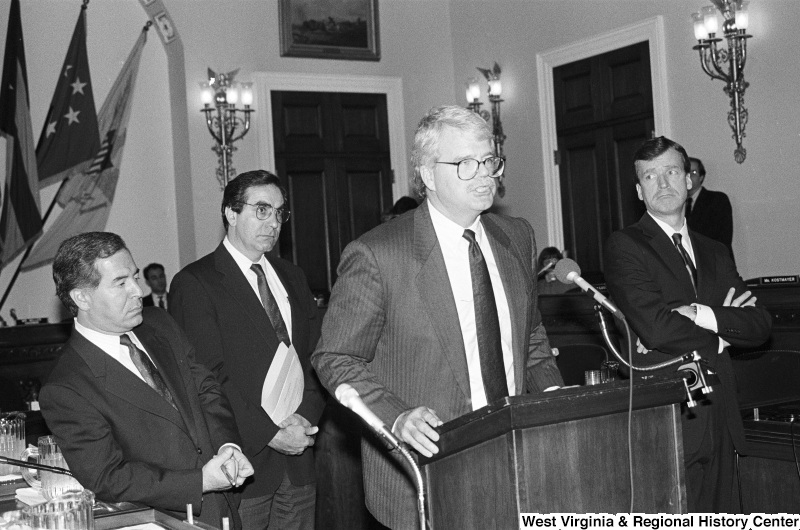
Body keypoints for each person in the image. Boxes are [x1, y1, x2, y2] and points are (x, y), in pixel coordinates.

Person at [311, 105, 564, 528]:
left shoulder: (516, 236)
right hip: (427, 468)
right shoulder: (379, 253)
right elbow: (335, 358)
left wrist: (553, 396)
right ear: (428, 175)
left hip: (516, 458)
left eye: (489, 160)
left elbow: (529, 333)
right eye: (465, 163)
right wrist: (395, 415)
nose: (485, 174)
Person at [603, 137, 771, 512]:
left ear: (689, 180)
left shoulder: (714, 250)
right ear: (639, 190)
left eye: (671, 172)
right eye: (650, 176)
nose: (662, 184)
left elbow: (759, 324)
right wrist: (725, 333)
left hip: (722, 411)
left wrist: (700, 314)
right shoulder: (626, 245)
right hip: (671, 413)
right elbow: (657, 329)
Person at [40, 232, 253, 527]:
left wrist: (228, 445)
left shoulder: (159, 323)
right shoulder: (66, 386)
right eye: (120, 283)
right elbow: (108, 478)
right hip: (161, 519)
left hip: (225, 509)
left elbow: (205, 389)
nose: (138, 291)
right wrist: (200, 481)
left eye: (135, 277)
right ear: (82, 297)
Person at [169, 170, 324, 530]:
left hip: (299, 458)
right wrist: (270, 433)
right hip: (243, 463)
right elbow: (207, 378)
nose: (273, 222)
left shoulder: (293, 276)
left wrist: (306, 420)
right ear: (231, 213)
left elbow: (317, 359)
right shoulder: (195, 283)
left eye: (280, 213)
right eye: (262, 210)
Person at [686, 157, 735, 261]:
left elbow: (721, 239)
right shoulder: (676, 204)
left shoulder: (717, 200)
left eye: (693, 172)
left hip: (715, 264)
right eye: (686, 171)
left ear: (701, 177)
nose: (689, 175)